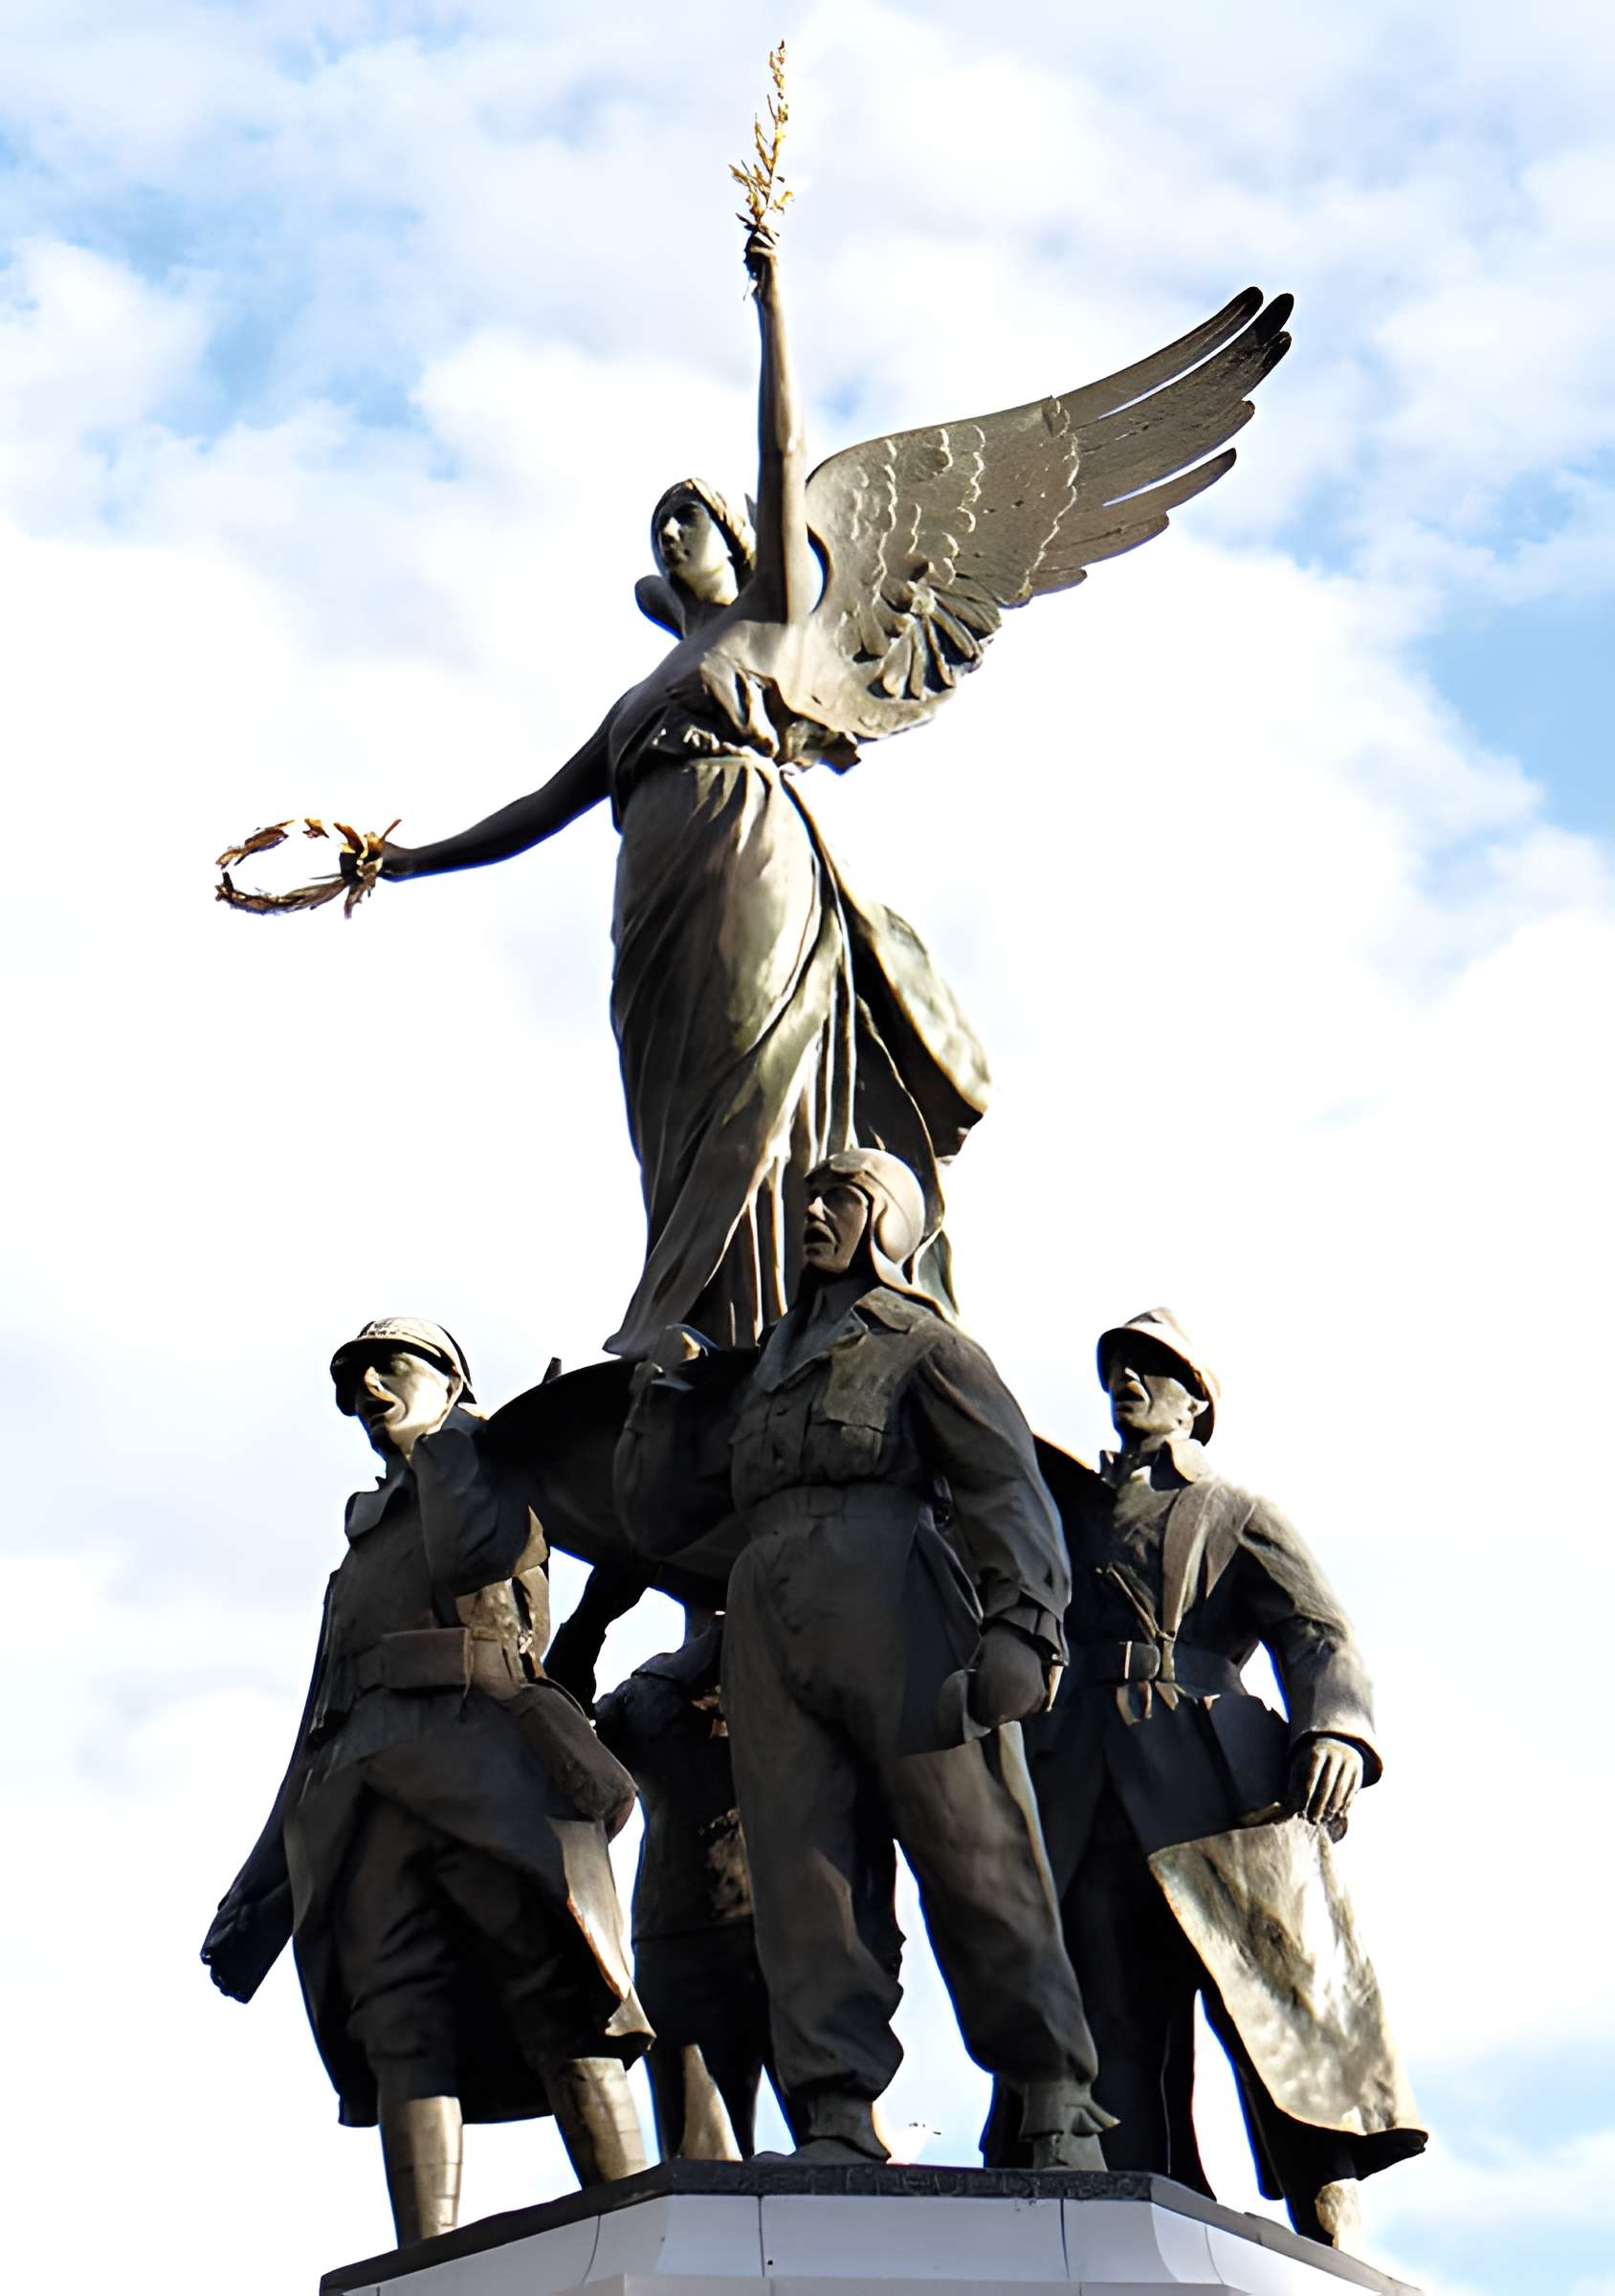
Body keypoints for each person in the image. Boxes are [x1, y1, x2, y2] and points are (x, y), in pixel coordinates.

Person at [332, 222, 1291, 1359]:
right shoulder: (641, 694)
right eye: (659, 525)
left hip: (748, 864)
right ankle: (692, 1311)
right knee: (675, 1106)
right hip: (652, 895)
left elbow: (784, 456)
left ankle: (762, 1319)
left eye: (689, 515)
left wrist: (771, 300)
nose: (671, 529)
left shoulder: (775, 619)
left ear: (742, 544)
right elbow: (537, 811)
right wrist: (403, 861)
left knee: (753, 1072)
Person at [614, 1149, 1112, 2169]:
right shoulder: (759, 1371)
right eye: (805, 1200)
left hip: (899, 1604)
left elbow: (1004, 1491)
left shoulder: (926, 1346)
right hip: (769, 1622)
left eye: (839, 1198)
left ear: (888, 1222)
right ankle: (835, 2108)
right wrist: (659, 1404)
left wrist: (1021, 1628)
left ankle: (1053, 2096)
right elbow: (659, 1520)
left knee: (975, 1859)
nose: (812, 1216)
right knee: (804, 1874)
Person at [199, 1317, 653, 2246]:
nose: (368, 1389)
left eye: (390, 1368)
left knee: (559, 1997)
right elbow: (312, 1724)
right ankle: (424, 2262)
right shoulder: (356, 1553)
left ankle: (644, 2230)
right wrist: (257, 1894)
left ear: (450, 1381)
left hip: (488, 1768)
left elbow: (470, 1560)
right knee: (398, 2023)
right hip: (364, 1801)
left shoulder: (492, 1471)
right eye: (354, 1379)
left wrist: (447, 1442)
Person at [1007, 1307, 1425, 2245]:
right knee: (1106, 2005)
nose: (1128, 1383)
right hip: (1082, 1777)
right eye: (1117, 1367)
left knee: (1265, 1993)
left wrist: (1336, 1732)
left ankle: (1325, 2192)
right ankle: (1141, 2198)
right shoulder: (1064, 1501)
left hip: (1211, 1780)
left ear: (1195, 1403)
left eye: (1153, 1370)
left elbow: (1317, 1630)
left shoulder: (1232, 1510)